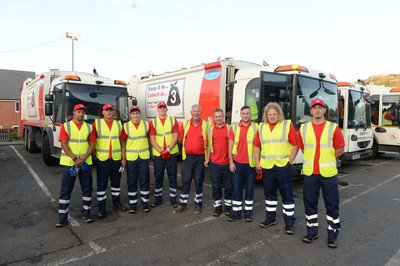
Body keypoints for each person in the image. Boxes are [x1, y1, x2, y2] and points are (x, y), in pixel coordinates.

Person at [297, 98, 345, 248]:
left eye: (320, 107)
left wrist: (329, 158)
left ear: (325, 110)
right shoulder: (303, 128)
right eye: (314, 108)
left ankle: (332, 235)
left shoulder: (333, 127)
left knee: (332, 205)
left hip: (328, 173)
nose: (317, 110)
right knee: (309, 203)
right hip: (310, 173)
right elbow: (303, 148)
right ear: (310, 111)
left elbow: (340, 149)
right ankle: (312, 232)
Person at [254, 102, 299, 234]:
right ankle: (270, 218)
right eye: (269, 114)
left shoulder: (286, 125)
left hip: (282, 166)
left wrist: (289, 162)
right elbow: (256, 145)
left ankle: (289, 223)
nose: (272, 116)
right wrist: (258, 162)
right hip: (267, 166)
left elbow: (295, 144)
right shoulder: (261, 127)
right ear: (266, 116)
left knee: (287, 195)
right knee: (269, 194)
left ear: (279, 114)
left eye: (274, 114)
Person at [56, 104, 96, 227]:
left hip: (84, 164)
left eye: (83, 112)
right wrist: (75, 159)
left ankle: (86, 214)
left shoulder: (89, 127)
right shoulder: (66, 126)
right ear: (74, 112)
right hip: (71, 164)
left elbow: (92, 145)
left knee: (87, 188)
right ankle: (62, 218)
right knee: (66, 190)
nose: (81, 114)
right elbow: (64, 144)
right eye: (78, 112)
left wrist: (82, 159)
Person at [92, 104, 127, 218]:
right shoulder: (96, 124)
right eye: (106, 110)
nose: (109, 112)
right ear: (102, 112)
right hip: (102, 159)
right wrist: (94, 156)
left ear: (113, 112)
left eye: (111, 110)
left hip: (116, 159)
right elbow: (91, 141)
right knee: (102, 185)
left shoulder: (118, 124)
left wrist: (123, 158)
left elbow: (122, 143)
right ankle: (101, 208)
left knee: (116, 184)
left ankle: (116, 203)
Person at [173, 104, 208, 214]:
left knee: (199, 181)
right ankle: (182, 204)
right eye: (194, 111)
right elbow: (181, 139)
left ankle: (198, 205)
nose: (196, 113)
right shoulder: (186, 124)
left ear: (201, 113)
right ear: (191, 112)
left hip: (200, 158)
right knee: (186, 180)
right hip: (188, 158)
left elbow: (209, 142)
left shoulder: (206, 125)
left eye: (198, 111)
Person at [227, 105, 258, 222]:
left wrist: (258, 163)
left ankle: (248, 213)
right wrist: (231, 162)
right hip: (237, 163)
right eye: (243, 113)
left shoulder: (256, 127)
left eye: (247, 113)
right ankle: (236, 213)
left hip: (251, 164)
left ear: (251, 114)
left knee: (250, 190)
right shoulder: (234, 128)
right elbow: (229, 148)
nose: (246, 115)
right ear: (240, 114)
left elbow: (259, 146)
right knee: (237, 189)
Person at [149, 101, 180, 208]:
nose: (162, 110)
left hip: (170, 153)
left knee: (172, 176)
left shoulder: (172, 120)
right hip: (159, 154)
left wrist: (167, 149)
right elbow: (152, 140)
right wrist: (161, 151)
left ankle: (173, 199)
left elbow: (176, 136)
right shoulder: (153, 122)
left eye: (164, 108)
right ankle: (158, 198)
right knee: (158, 176)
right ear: (157, 110)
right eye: (160, 108)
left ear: (166, 109)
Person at [121, 106, 151, 213]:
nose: (135, 115)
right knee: (132, 181)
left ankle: (145, 203)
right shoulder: (126, 126)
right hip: (131, 158)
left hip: (143, 157)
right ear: (130, 115)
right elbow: (123, 144)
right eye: (133, 113)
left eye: (137, 113)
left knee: (144, 180)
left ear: (140, 114)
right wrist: (123, 158)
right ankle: (132, 205)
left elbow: (149, 138)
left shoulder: (146, 124)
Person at [204, 108, 232, 217]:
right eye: (216, 117)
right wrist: (207, 159)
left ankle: (228, 208)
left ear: (223, 116)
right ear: (213, 118)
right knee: (216, 187)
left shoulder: (230, 128)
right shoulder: (210, 130)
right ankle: (217, 208)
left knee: (229, 187)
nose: (218, 118)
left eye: (220, 116)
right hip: (215, 164)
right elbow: (208, 146)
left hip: (227, 163)